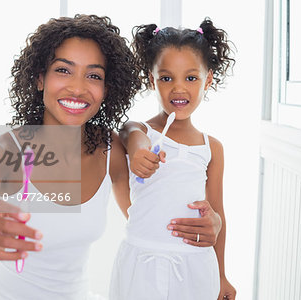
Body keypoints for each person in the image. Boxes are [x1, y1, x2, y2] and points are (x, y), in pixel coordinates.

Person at [0, 15, 222, 300]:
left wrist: (212, 224)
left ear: (107, 89)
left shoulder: (111, 151)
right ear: (39, 78)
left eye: (93, 75)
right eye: (63, 70)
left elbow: (150, 217)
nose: (78, 88)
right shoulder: (3, 150)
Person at [109, 19, 237, 300]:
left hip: (195, 266)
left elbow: (218, 215)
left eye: (191, 78)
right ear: (152, 80)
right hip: (140, 263)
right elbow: (130, 132)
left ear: (209, 79)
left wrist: (222, 275)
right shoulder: (140, 132)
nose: (179, 88)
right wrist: (139, 148)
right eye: (166, 78)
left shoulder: (212, 148)